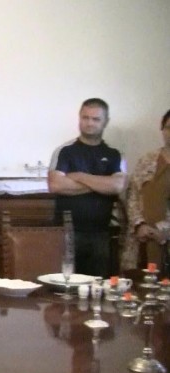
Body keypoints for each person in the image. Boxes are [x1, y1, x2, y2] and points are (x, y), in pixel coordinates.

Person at [48, 98, 126, 277]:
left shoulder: (114, 154)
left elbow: (117, 186)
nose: (89, 123)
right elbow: (56, 185)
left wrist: (79, 176)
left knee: (98, 286)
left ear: (105, 121)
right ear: (79, 118)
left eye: (96, 119)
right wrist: (102, 183)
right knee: (65, 286)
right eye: (85, 117)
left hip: (101, 234)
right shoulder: (64, 151)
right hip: (66, 232)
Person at [121, 109, 170, 270]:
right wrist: (139, 224)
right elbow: (132, 195)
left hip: (165, 238)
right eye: (168, 128)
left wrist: (163, 230)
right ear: (162, 130)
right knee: (140, 281)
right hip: (142, 237)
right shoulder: (147, 160)